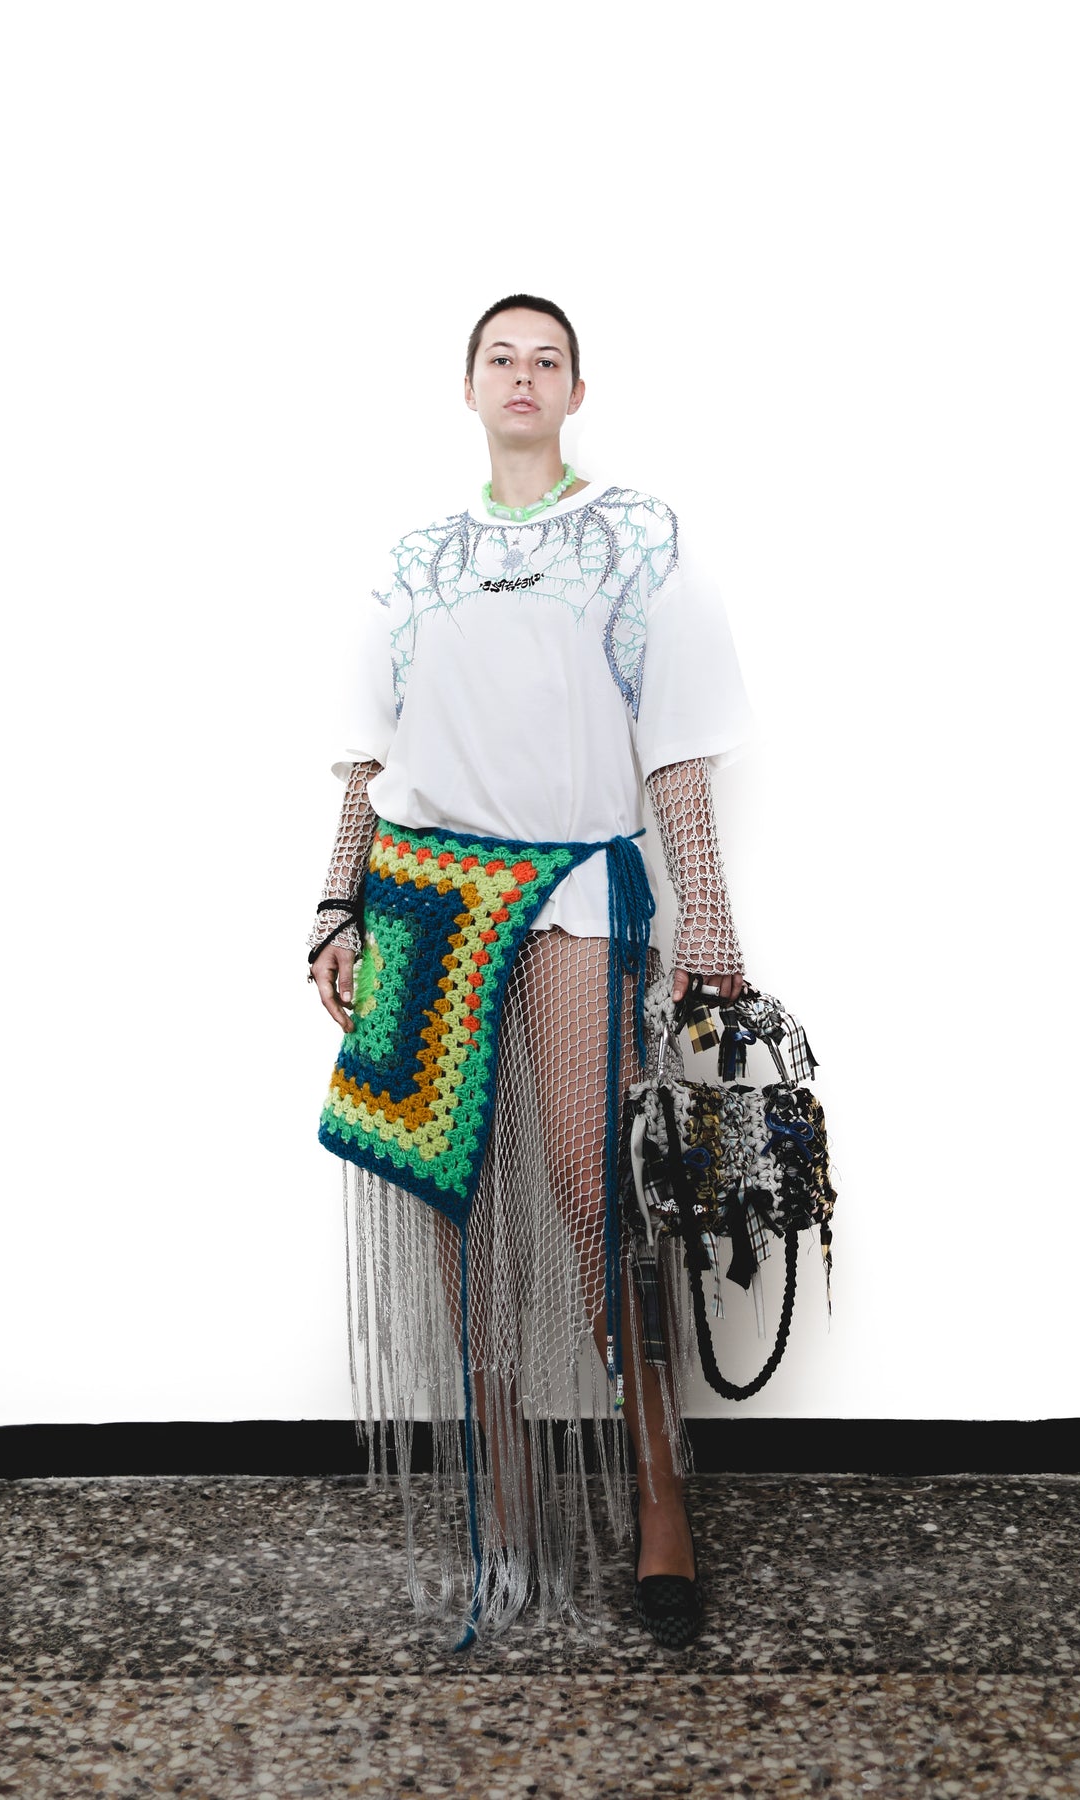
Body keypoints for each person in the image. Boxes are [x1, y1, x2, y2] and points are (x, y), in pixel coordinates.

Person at [307, 295, 755, 1651]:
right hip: (427, 894)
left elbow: (677, 745)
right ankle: (503, 1488)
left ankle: (659, 1488)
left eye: (545, 358)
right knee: (456, 1195)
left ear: (575, 389)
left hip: (574, 884)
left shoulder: (635, 540)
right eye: (500, 357)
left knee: (589, 1180)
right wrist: (335, 905)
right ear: (469, 388)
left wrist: (709, 921)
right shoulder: (416, 561)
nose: (522, 374)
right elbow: (370, 759)